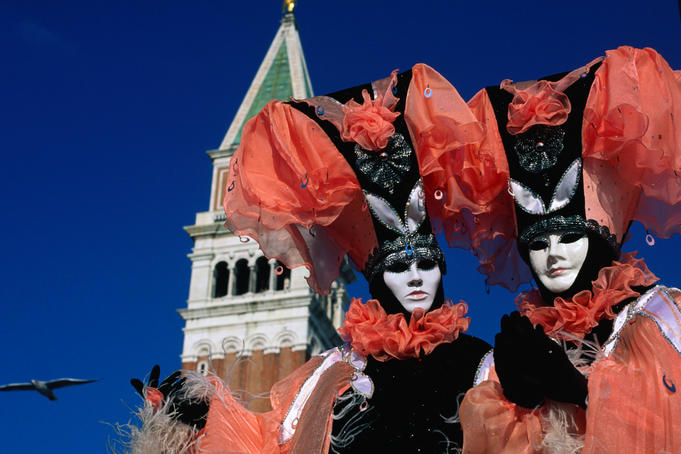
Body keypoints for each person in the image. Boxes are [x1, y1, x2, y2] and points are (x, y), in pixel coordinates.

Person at [127, 65, 495, 453]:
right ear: (377, 280)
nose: (416, 278)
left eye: (426, 265)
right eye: (399, 268)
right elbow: (269, 443)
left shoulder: (482, 364)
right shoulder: (335, 370)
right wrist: (198, 417)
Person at [455, 46, 681, 453]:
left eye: (570, 238)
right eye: (538, 243)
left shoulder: (657, 321)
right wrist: (517, 408)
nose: (553, 254)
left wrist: (579, 389)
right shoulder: (516, 352)